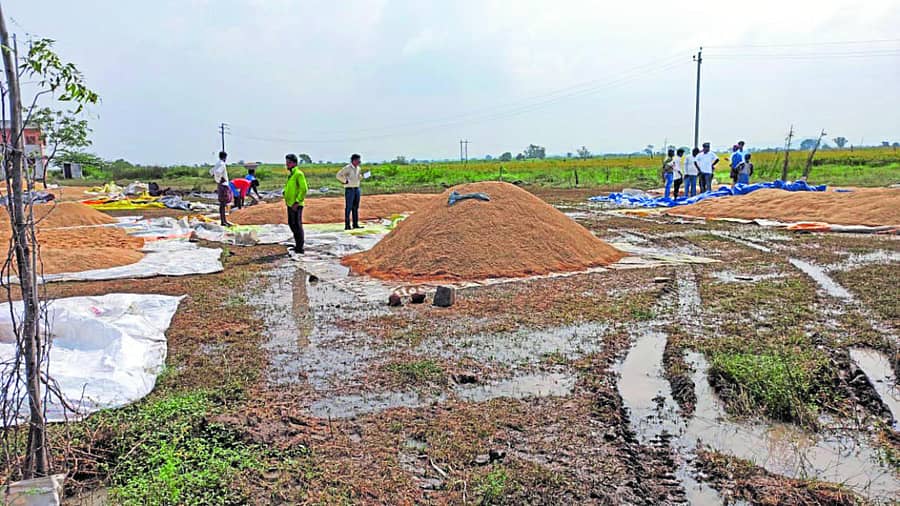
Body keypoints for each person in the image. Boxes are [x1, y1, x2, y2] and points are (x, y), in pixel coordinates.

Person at [283, 154, 308, 254]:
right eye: (286, 162)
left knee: (297, 225)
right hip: (290, 204)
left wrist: (297, 201)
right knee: (292, 224)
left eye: (288, 162)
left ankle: (300, 247)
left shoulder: (298, 174)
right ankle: (297, 244)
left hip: (296, 204)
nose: (286, 164)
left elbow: (304, 189)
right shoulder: (291, 174)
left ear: (294, 163)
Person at [336, 153, 362, 230]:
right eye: (358, 160)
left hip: (357, 188)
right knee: (349, 207)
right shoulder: (347, 168)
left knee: (355, 207)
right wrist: (345, 181)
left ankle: (355, 224)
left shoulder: (358, 168)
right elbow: (338, 175)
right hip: (350, 189)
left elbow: (358, 177)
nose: (359, 161)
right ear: (354, 160)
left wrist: (361, 177)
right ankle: (347, 225)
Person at [210, 151, 232, 226]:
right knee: (223, 203)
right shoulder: (222, 164)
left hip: (221, 184)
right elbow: (217, 172)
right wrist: (221, 179)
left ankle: (224, 220)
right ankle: (223, 221)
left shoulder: (217, 163)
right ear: (225, 157)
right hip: (223, 185)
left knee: (223, 203)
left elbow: (211, 171)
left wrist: (217, 179)